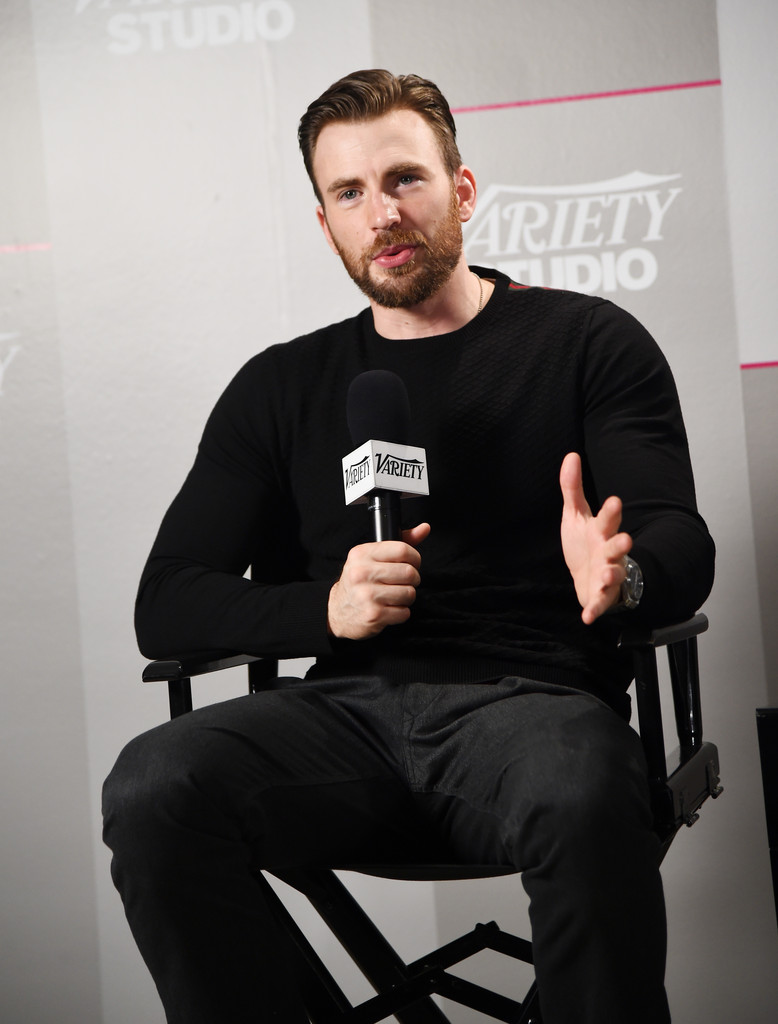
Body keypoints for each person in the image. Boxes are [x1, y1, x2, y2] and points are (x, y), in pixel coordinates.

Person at [103, 69, 715, 1024]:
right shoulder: (279, 388)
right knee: (153, 785)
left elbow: (681, 538)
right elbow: (167, 601)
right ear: (325, 224)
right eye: (349, 193)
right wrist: (326, 607)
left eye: (404, 180)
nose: (380, 213)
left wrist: (624, 573)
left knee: (584, 790)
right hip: (342, 719)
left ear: (461, 191)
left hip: (533, 711)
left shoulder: (588, 342)